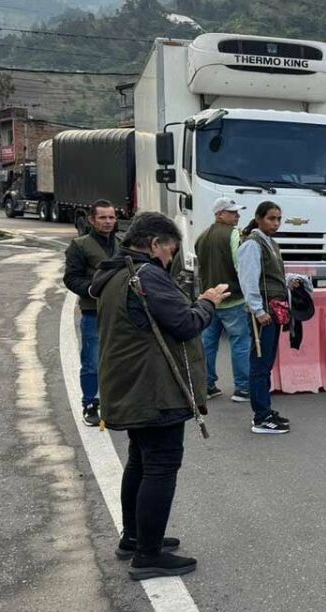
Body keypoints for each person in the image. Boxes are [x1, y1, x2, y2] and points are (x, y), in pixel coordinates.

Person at [89, 212, 228, 580]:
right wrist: (208, 301)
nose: (171, 259)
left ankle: (135, 538)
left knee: (140, 461)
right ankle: (148, 554)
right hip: (154, 390)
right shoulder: (148, 274)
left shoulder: (116, 272)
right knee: (161, 467)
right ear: (154, 244)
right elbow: (185, 323)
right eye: (171, 251)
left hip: (128, 385)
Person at [237, 201, 295, 435]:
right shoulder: (252, 244)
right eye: (272, 218)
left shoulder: (270, 242)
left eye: (279, 219)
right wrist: (258, 310)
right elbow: (249, 280)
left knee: (267, 363)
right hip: (263, 313)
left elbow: (271, 276)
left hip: (273, 310)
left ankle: (266, 410)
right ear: (259, 218)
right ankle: (260, 416)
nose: (276, 223)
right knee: (260, 364)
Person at [62, 199, 118, 426]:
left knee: (116, 360)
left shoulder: (122, 244)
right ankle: (90, 403)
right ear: (92, 220)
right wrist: (91, 289)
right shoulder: (80, 245)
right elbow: (71, 278)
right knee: (92, 361)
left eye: (111, 217)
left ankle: (113, 402)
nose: (108, 222)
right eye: (103, 217)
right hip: (92, 312)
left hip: (119, 314)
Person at [197, 197, 252, 403]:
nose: (237, 215)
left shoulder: (202, 237)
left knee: (208, 344)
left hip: (209, 299)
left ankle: (207, 385)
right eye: (232, 212)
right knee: (241, 342)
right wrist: (250, 295)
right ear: (220, 214)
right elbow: (241, 266)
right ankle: (243, 388)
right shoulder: (234, 235)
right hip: (233, 297)